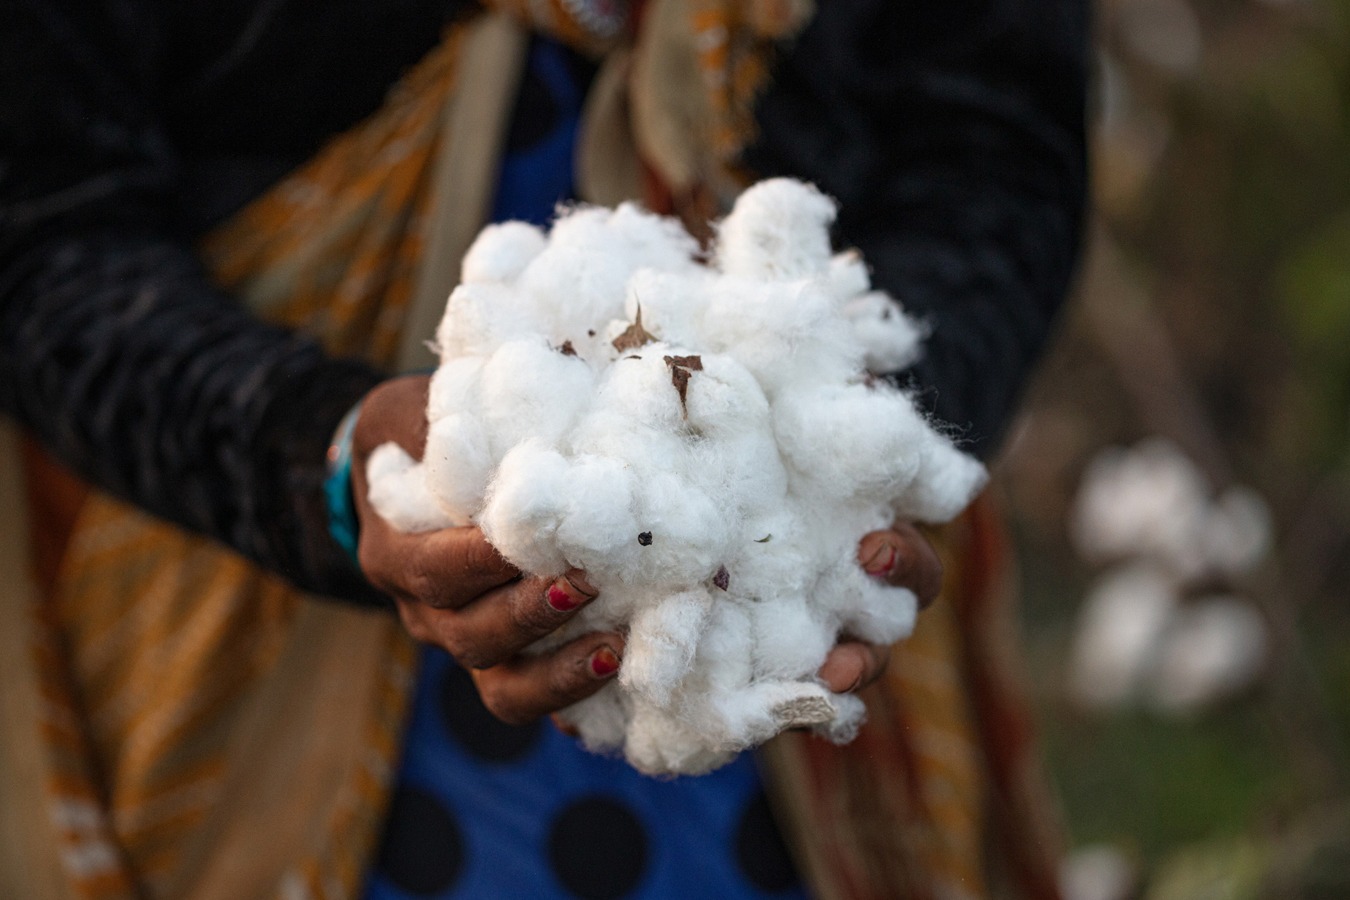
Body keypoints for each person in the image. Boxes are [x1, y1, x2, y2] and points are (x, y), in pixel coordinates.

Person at [0, 1, 1086, 897]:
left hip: (783, 657)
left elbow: (994, 147)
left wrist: (857, 442)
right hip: (228, 642)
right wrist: (320, 456)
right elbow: (46, 221)